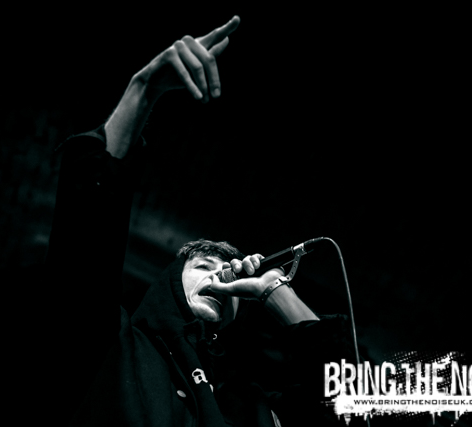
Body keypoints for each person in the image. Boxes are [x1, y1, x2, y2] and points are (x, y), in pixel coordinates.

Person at [46, 15, 351, 426]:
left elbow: (350, 405)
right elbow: (84, 243)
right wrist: (143, 90)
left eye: (229, 275)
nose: (221, 275)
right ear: (170, 283)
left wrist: (275, 291)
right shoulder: (115, 345)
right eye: (203, 266)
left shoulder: (250, 408)